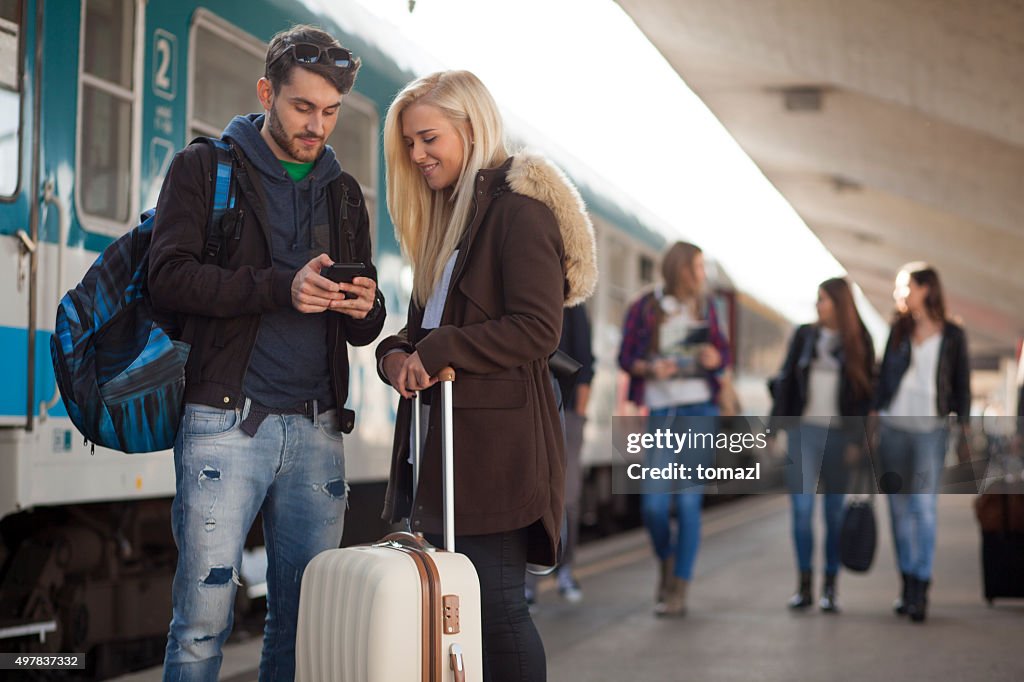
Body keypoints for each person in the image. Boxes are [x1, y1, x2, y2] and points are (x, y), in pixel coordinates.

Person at [149, 25, 385, 681]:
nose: (318, 125)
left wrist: (367, 307)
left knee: (304, 626)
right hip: (225, 424)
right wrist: (281, 288)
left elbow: (363, 324)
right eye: (302, 107)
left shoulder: (343, 194)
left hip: (317, 430)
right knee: (200, 626)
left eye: (331, 112)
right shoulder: (203, 169)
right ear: (266, 92)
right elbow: (166, 277)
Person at [375, 70, 596, 682]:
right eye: (410, 145)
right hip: (447, 452)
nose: (417, 156)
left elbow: (536, 328)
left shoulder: (520, 215)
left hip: (499, 456)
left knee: (497, 612)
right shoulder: (451, 225)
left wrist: (440, 347)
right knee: (461, 613)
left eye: (427, 139)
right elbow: (422, 331)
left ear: (471, 129)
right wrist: (394, 355)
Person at [617, 241, 730, 617]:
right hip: (662, 413)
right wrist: (651, 369)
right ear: (681, 268)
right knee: (652, 505)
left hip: (700, 410)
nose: (702, 274)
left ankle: (678, 588)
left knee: (687, 501)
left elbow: (723, 354)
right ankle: (666, 559)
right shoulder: (645, 307)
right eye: (697, 266)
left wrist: (715, 358)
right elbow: (625, 357)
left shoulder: (708, 307)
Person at [769, 278, 874, 613]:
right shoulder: (804, 336)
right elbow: (786, 382)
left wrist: (859, 441)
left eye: (824, 299)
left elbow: (866, 397)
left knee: (833, 514)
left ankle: (830, 586)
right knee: (801, 512)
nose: (818, 305)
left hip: (840, 436)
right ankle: (804, 585)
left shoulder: (861, 341)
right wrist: (774, 428)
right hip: (803, 433)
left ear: (840, 303)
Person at [874, 263, 970, 623]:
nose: (900, 294)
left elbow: (960, 385)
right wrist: (873, 413)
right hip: (894, 426)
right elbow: (883, 376)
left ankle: (922, 584)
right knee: (898, 510)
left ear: (926, 288)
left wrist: (963, 429)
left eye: (905, 287)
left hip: (932, 429)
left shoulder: (954, 335)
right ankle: (908, 583)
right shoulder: (898, 328)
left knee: (924, 507)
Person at [525, 304, 595, 607]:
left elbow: (585, 364)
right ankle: (528, 581)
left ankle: (565, 570)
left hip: (565, 411)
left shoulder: (572, 303)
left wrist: (577, 415)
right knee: (528, 494)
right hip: (528, 410)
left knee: (568, 498)